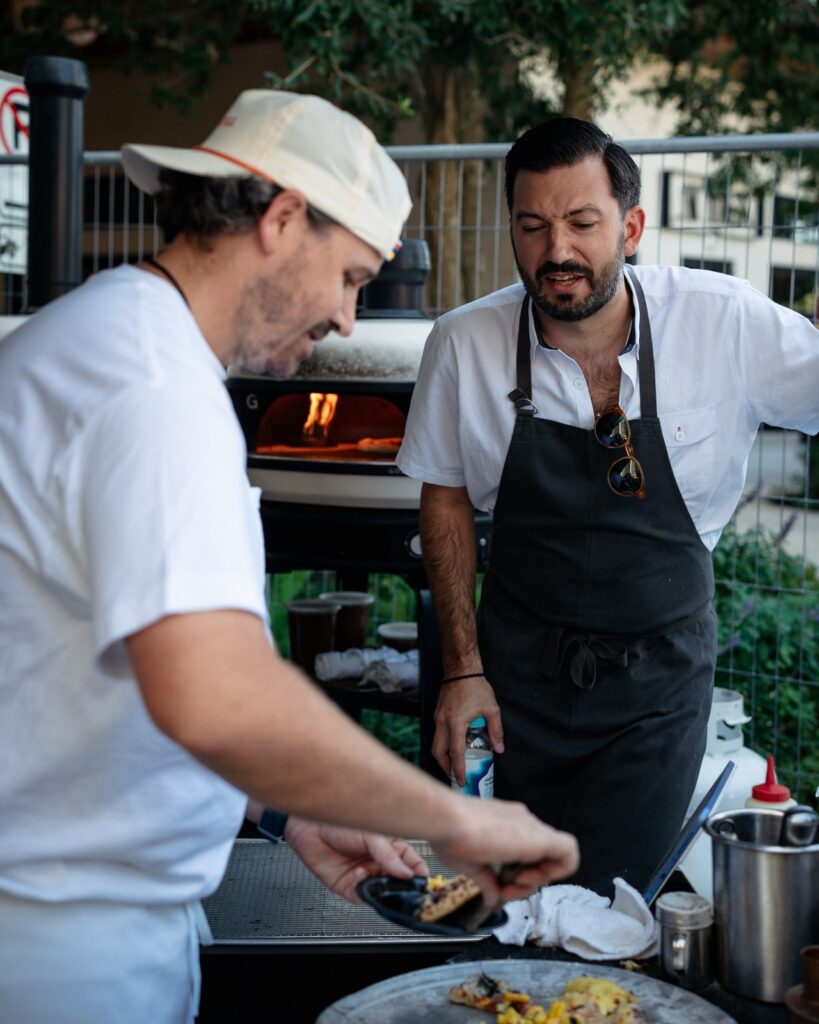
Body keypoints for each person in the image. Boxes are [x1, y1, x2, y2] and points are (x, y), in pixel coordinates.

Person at [0, 91, 579, 1024]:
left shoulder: (110, 338)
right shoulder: (152, 389)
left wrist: (288, 812)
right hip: (59, 948)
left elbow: (112, 680)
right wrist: (457, 819)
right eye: (349, 276)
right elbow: (220, 696)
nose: (348, 319)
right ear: (280, 220)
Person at [396, 116, 819, 896]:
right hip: (511, 680)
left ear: (629, 227)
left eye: (581, 223)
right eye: (532, 226)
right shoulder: (462, 343)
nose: (555, 250)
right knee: (495, 899)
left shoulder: (722, 320)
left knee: (612, 906)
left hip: (657, 685)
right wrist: (462, 672)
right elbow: (445, 500)